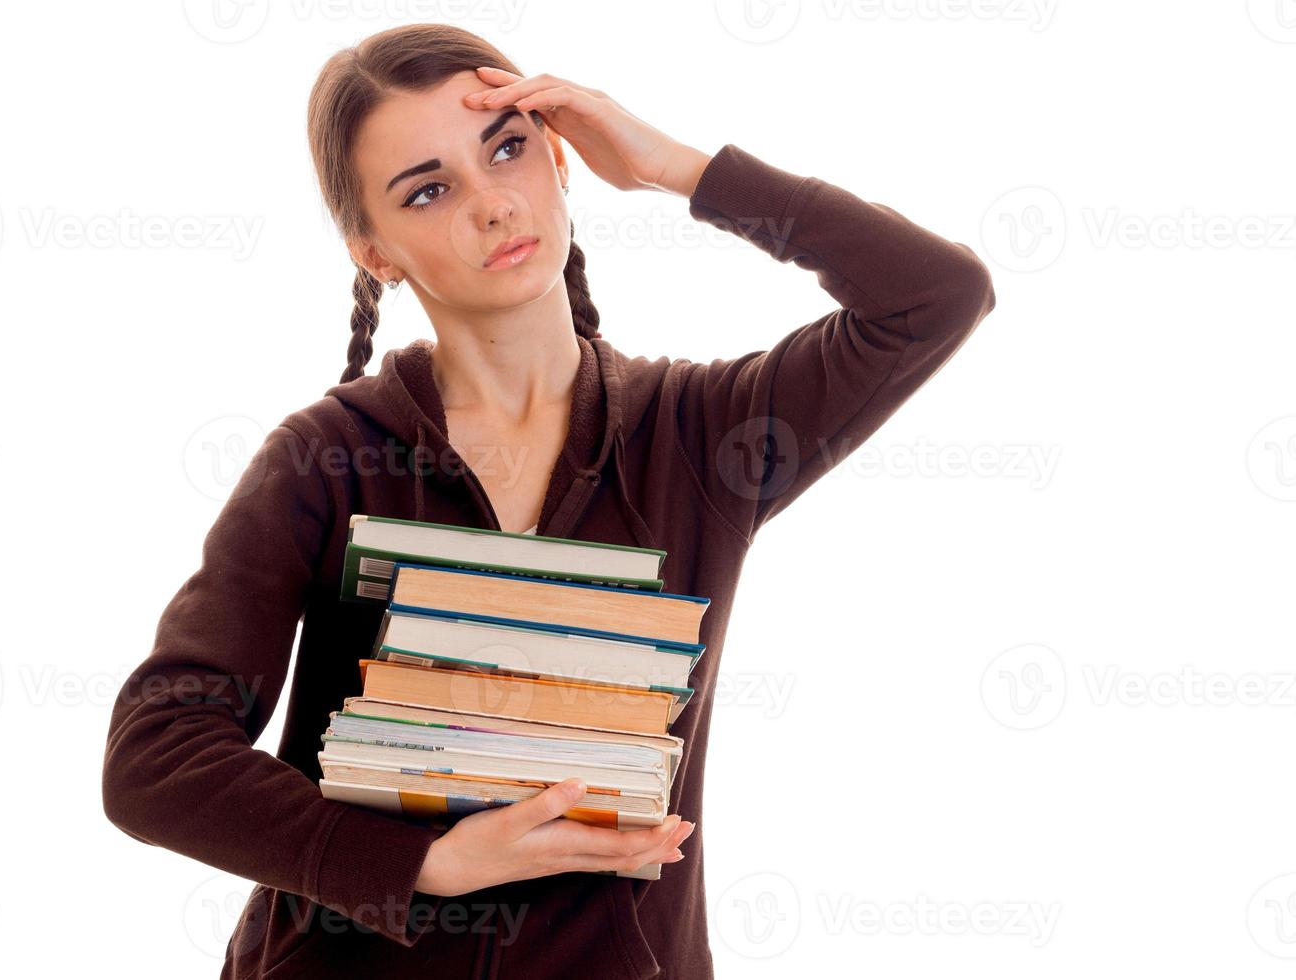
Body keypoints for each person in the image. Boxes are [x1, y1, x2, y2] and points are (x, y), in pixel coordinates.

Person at [101, 22, 997, 980]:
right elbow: (156, 754)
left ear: (559, 156)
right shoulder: (324, 461)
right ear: (376, 252)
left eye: (509, 148)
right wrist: (420, 864)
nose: (493, 205)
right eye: (431, 189)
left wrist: (676, 170)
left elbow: (936, 294)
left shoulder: (702, 436)